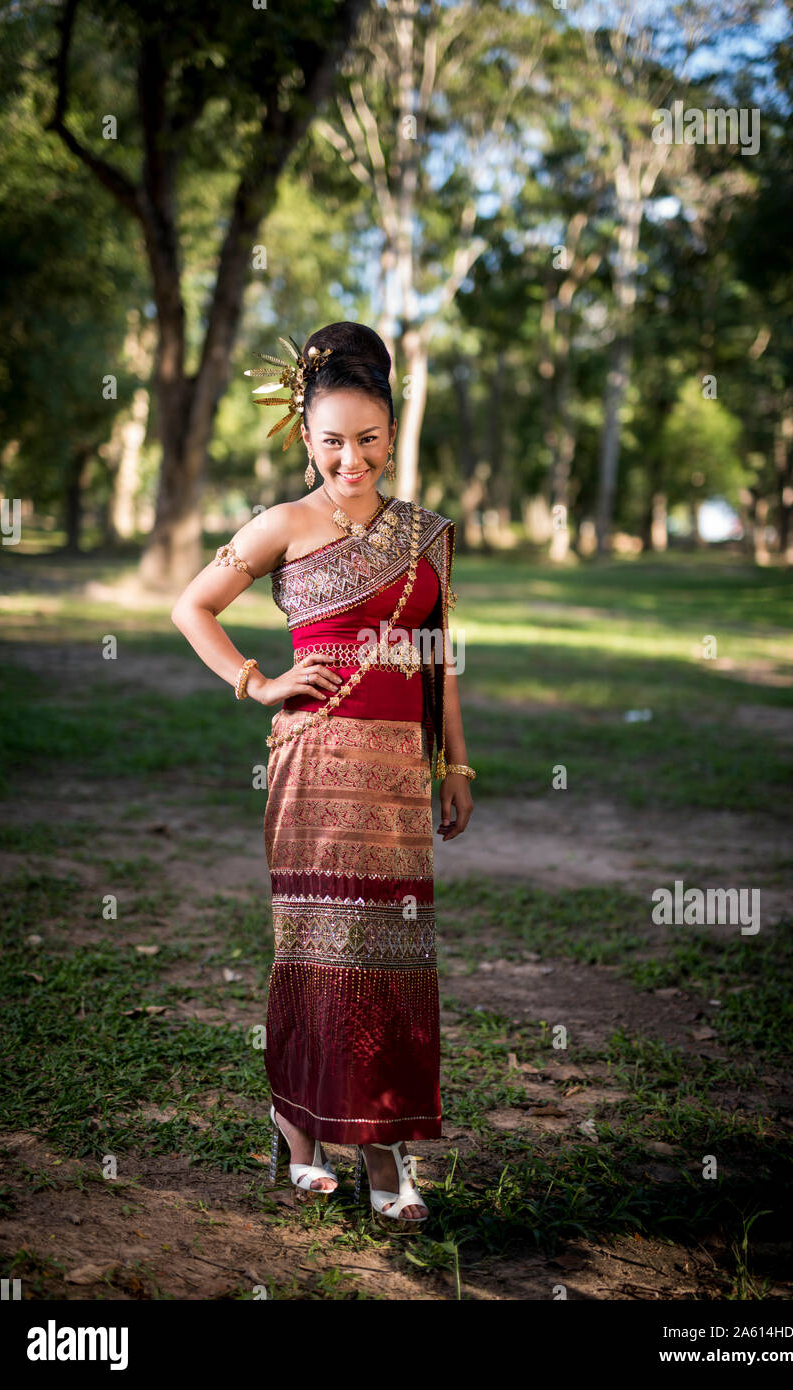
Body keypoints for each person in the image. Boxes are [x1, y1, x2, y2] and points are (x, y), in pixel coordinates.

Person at [171, 321, 474, 1229]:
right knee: (316, 948)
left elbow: (438, 659)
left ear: (393, 433)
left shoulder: (425, 535)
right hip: (310, 766)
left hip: (393, 780)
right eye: (334, 439)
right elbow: (191, 604)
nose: (353, 458)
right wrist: (255, 680)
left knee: (392, 960)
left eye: (370, 439)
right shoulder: (280, 525)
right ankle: (297, 1129)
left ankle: (385, 1151)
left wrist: (454, 760)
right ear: (305, 435)